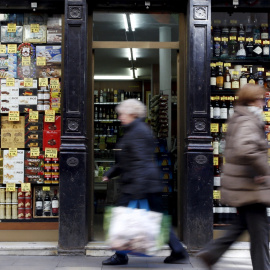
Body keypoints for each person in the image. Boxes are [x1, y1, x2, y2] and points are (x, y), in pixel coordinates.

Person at [101, 98, 189, 265]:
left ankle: (120, 255)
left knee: (122, 217)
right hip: (146, 182)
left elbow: (140, 161)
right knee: (158, 218)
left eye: (122, 114)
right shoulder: (135, 129)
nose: (120, 117)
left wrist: (137, 189)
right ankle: (178, 251)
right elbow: (129, 159)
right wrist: (111, 173)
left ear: (133, 114)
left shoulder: (138, 131)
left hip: (139, 183)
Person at [197, 84, 270, 270]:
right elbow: (247, 149)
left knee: (242, 226)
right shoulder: (248, 120)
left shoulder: (239, 117)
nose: (263, 102)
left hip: (244, 185)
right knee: (260, 233)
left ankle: (210, 254)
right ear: (252, 100)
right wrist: (264, 170)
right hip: (250, 184)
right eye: (261, 99)